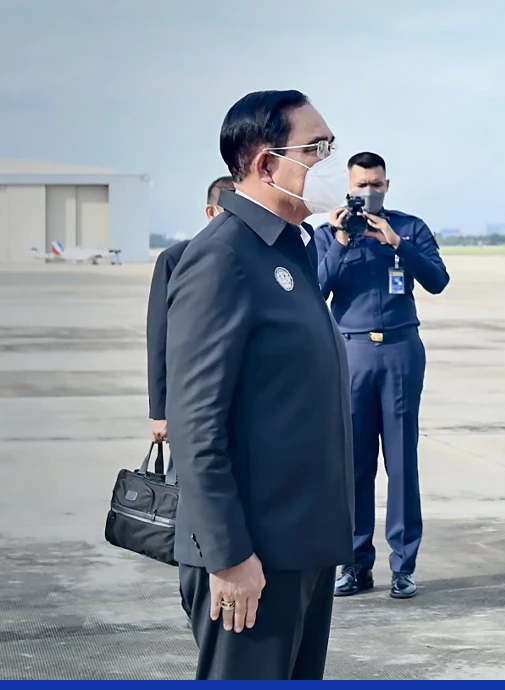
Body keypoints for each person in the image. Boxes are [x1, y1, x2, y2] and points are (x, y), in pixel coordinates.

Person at [165, 89, 355, 680]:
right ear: (267, 163)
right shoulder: (224, 258)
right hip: (253, 553)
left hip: (302, 543)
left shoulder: (292, 250)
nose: (329, 161)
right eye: (316, 148)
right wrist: (228, 555)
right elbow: (195, 421)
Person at [313, 152, 450, 600]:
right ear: (347, 189)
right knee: (354, 464)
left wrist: (397, 243)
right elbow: (316, 290)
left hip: (400, 350)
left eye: (375, 184)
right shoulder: (329, 233)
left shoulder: (408, 227)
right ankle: (355, 564)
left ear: (387, 186)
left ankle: (403, 565)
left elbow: (438, 280)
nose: (368, 193)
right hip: (350, 351)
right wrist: (339, 241)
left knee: (402, 461)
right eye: (360, 186)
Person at [146, 175, 235, 444]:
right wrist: (160, 411)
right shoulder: (176, 260)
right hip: (195, 400)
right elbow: (160, 338)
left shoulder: (260, 258)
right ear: (211, 212)